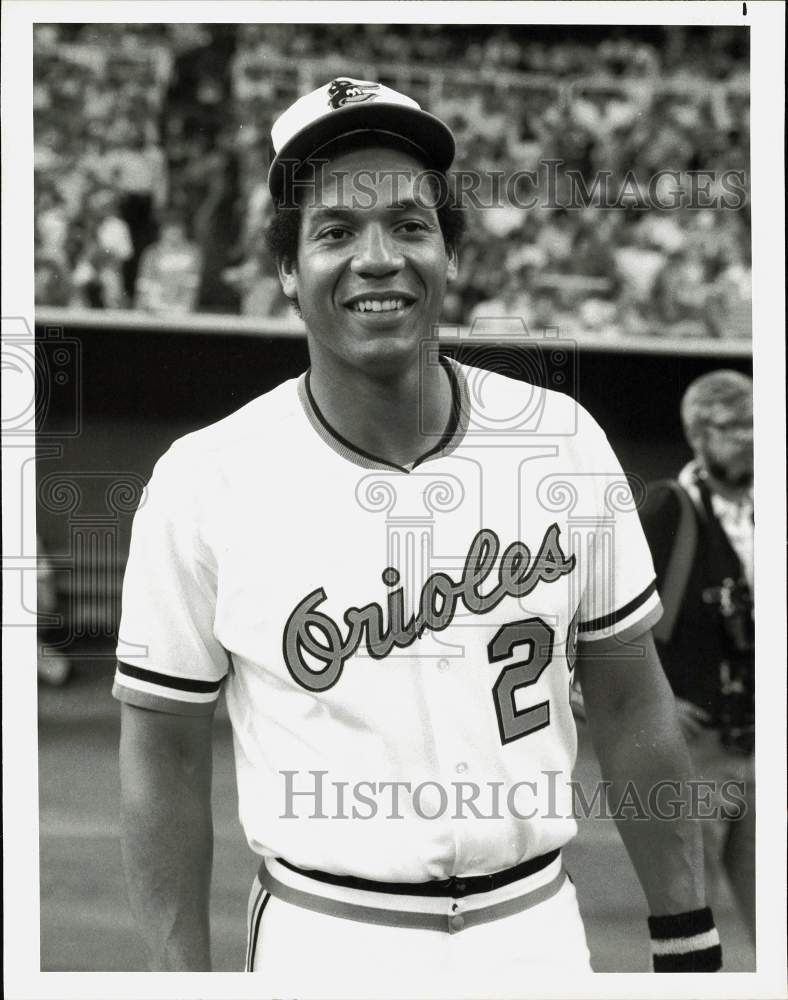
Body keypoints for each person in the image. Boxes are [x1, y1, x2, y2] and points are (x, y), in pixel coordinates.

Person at [115, 78, 722, 992]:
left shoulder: (558, 439)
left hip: (539, 933)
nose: (377, 258)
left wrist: (687, 940)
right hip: (325, 938)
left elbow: (634, 703)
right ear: (286, 269)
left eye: (409, 225)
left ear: (446, 253)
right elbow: (162, 747)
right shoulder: (207, 479)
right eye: (333, 232)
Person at [639, 370, 754, 943]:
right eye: (735, 426)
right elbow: (616, 625)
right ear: (698, 435)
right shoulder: (671, 507)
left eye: (759, 422)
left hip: (765, 745)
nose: (752, 436)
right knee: (692, 925)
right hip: (699, 752)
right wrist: (661, 702)